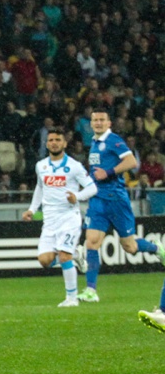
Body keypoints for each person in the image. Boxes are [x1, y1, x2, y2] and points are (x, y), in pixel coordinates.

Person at [80, 107, 165, 302]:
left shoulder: (113, 140)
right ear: (91, 124)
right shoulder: (94, 142)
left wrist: (108, 172)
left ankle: (155, 248)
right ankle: (91, 290)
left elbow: (132, 161)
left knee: (130, 246)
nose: (98, 123)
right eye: (95, 120)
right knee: (91, 241)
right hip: (98, 199)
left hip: (116, 200)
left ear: (109, 123)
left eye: (102, 120)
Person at [21, 127, 97, 307]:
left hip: (69, 217)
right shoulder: (41, 166)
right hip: (49, 220)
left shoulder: (74, 166)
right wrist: (32, 209)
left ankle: (71, 298)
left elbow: (92, 188)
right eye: (51, 140)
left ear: (64, 143)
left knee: (63, 256)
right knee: (45, 261)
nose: (54, 143)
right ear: (47, 143)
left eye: (57, 140)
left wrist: (77, 196)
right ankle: (75, 255)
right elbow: (40, 188)